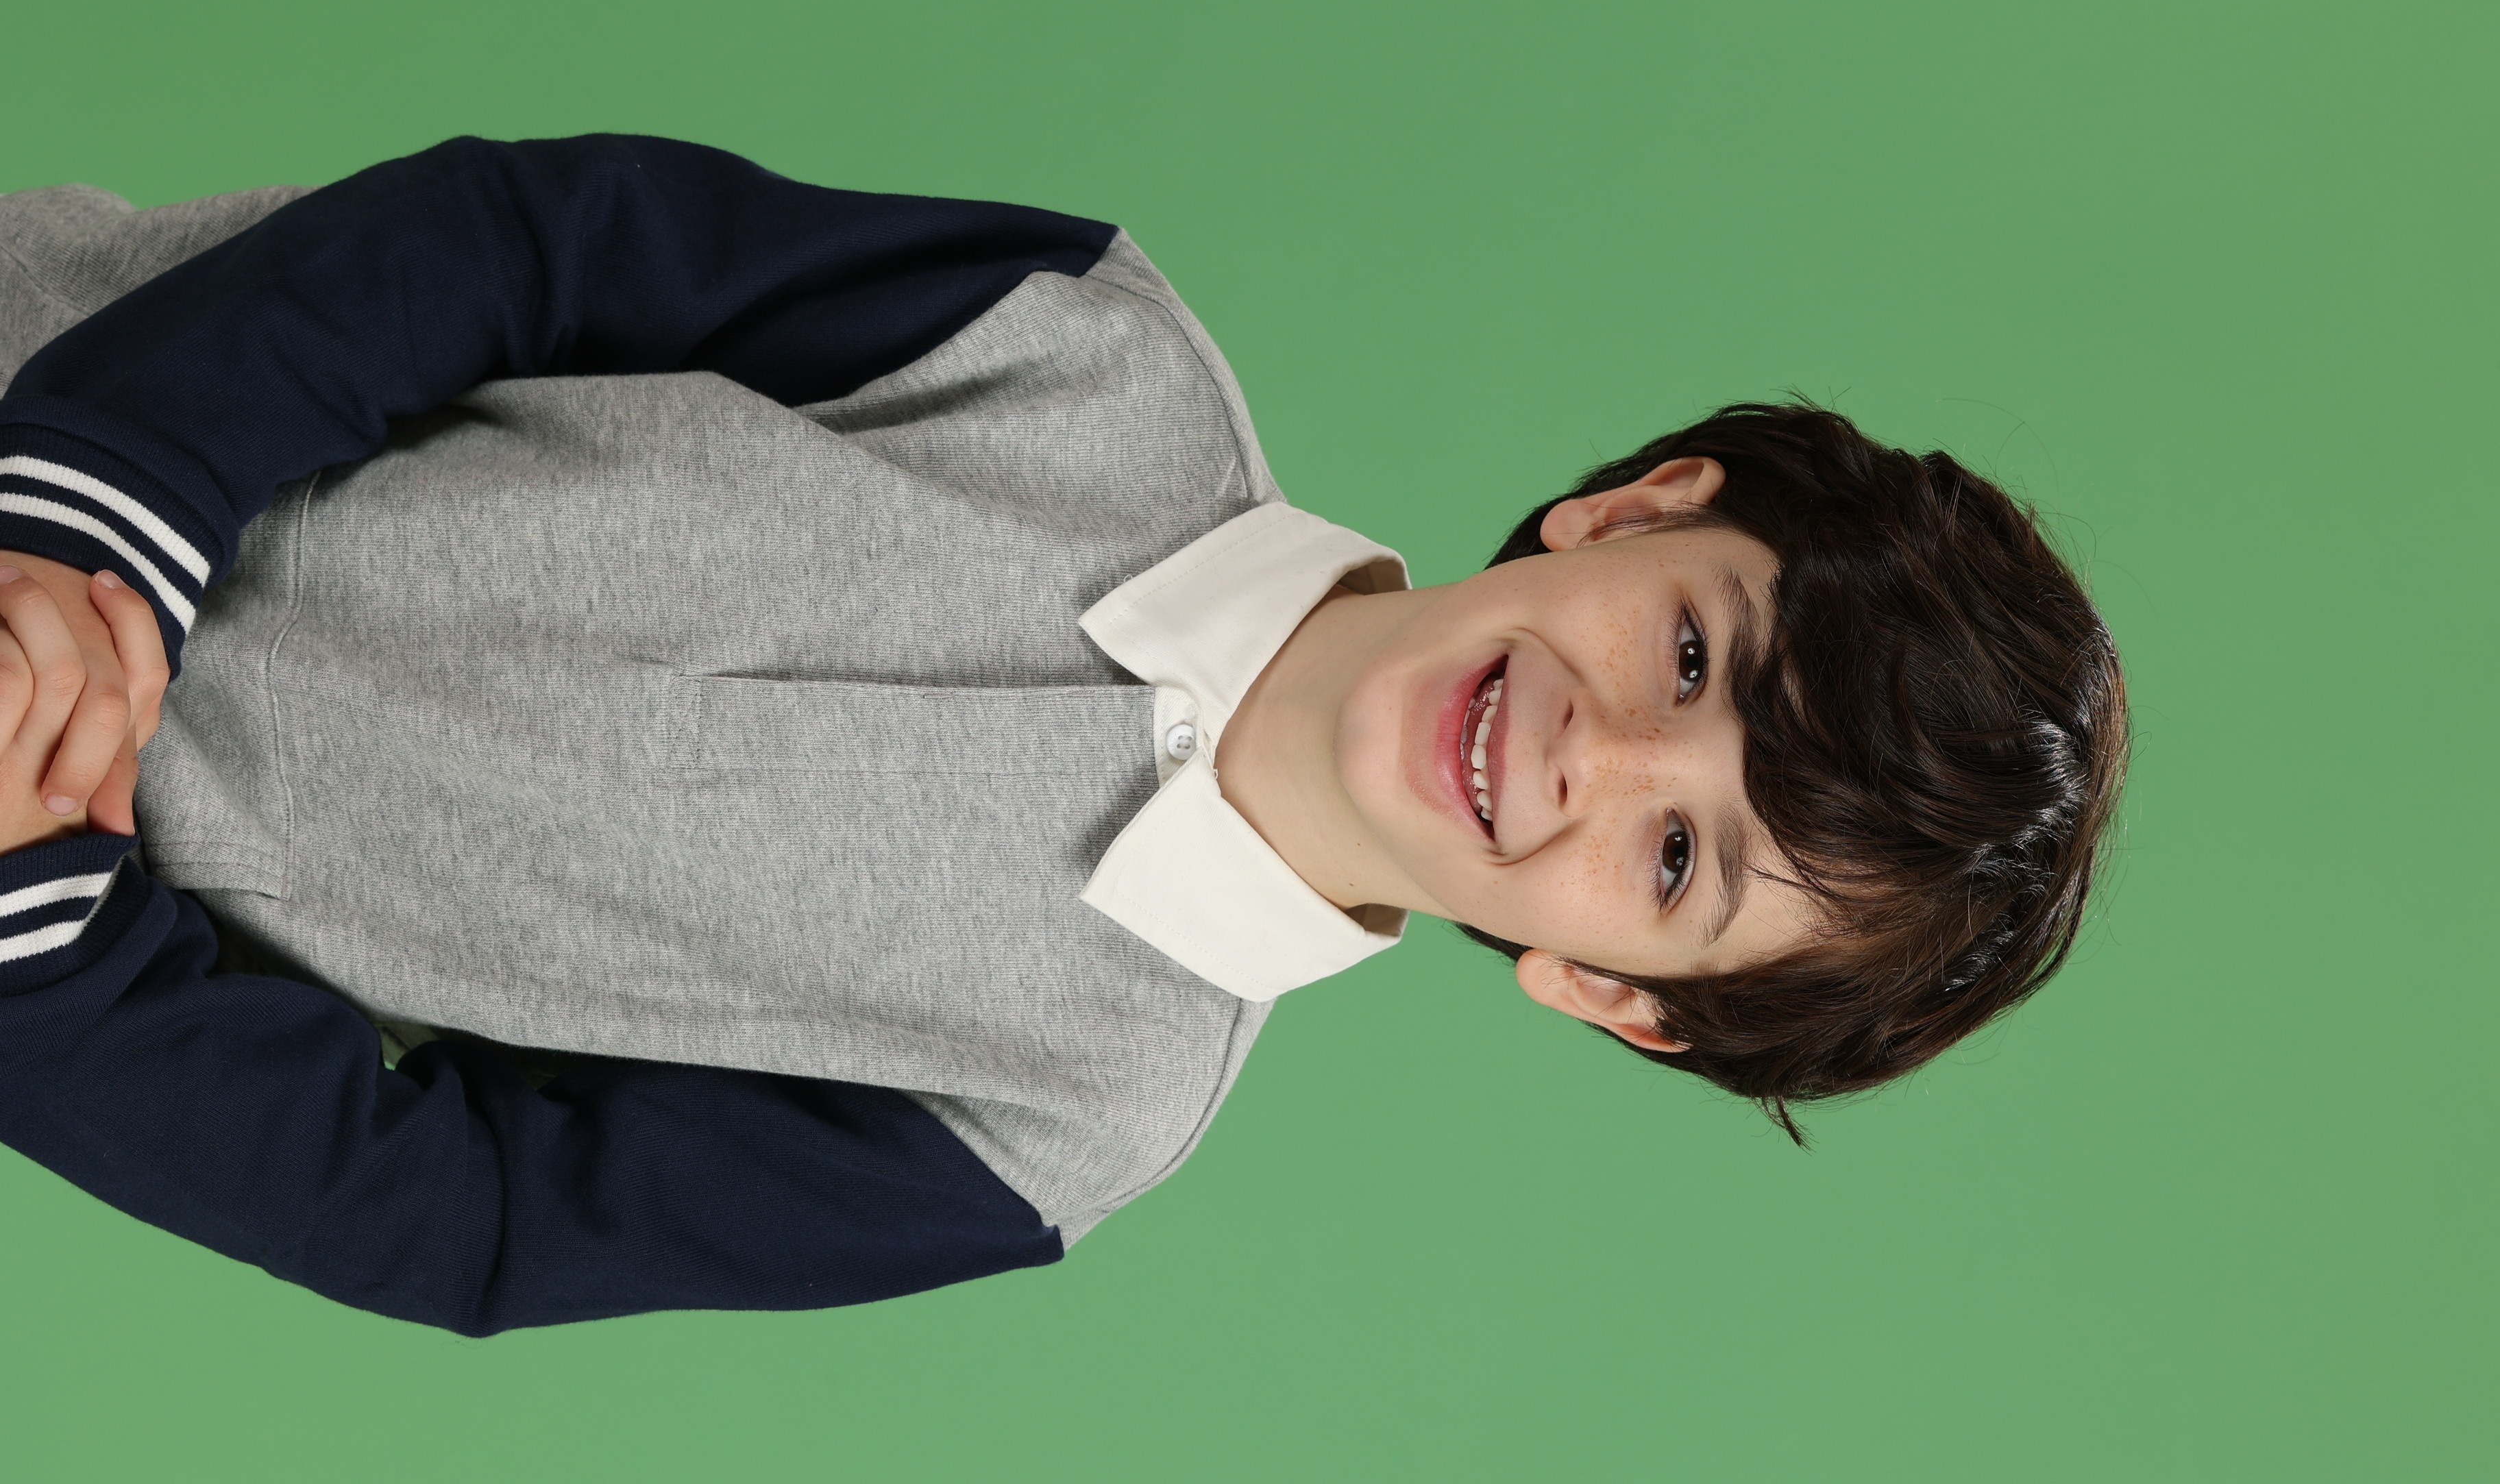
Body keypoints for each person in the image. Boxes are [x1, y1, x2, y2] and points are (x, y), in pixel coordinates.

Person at [0, 136, 2127, 1335]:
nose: (1601, 759)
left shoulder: (1054, 1127)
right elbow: (519, 249)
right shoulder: (1081, 356)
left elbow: (464, 1211)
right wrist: (100, 504)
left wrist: (45, 928)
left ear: (1612, 994)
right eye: (1691, 658)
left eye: (1678, 864)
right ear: (1645, 510)